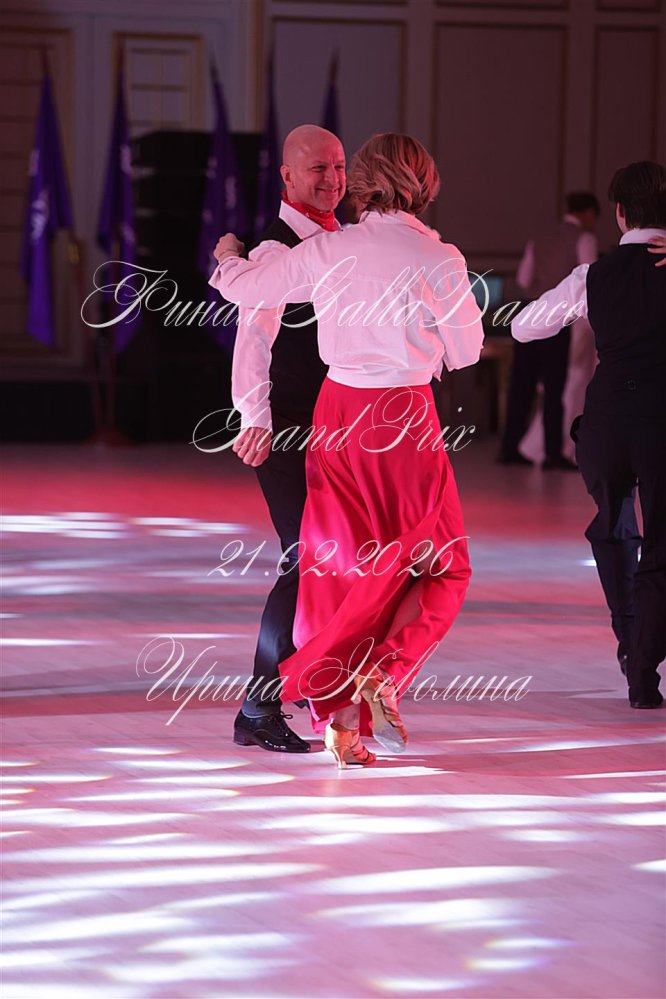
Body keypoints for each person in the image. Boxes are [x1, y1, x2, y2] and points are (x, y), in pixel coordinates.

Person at [211, 133, 485, 767]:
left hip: (337, 415)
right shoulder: (440, 256)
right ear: (425, 184)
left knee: (340, 573)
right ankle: (384, 674)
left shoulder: (329, 248)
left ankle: (339, 721)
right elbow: (468, 350)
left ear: (360, 180)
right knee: (439, 566)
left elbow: (243, 289)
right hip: (406, 416)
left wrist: (226, 255)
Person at [511, 161, 666, 709]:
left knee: (614, 531)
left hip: (606, 421)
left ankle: (630, 643)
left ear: (620, 214)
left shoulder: (593, 275)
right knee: (661, 544)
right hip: (660, 420)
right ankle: (643, 666)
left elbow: (524, 327)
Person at [221, 124, 346, 755]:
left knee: (338, 558)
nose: (332, 179)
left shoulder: (344, 239)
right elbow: (253, 339)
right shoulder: (275, 249)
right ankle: (259, 706)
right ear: (288, 177)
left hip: (339, 424)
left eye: (339, 166)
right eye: (318, 168)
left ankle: (310, 684)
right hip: (289, 426)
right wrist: (255, 417)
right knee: (306, 558)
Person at [498, 192, 600, 470]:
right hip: (558, 315)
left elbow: (523, 278)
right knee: (555, 387)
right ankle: (553, 454)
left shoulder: (539, 237)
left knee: (521, 384)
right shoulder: (584, 238)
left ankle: (509, 448)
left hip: (530, 310)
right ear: (589, 213)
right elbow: (588, 280)